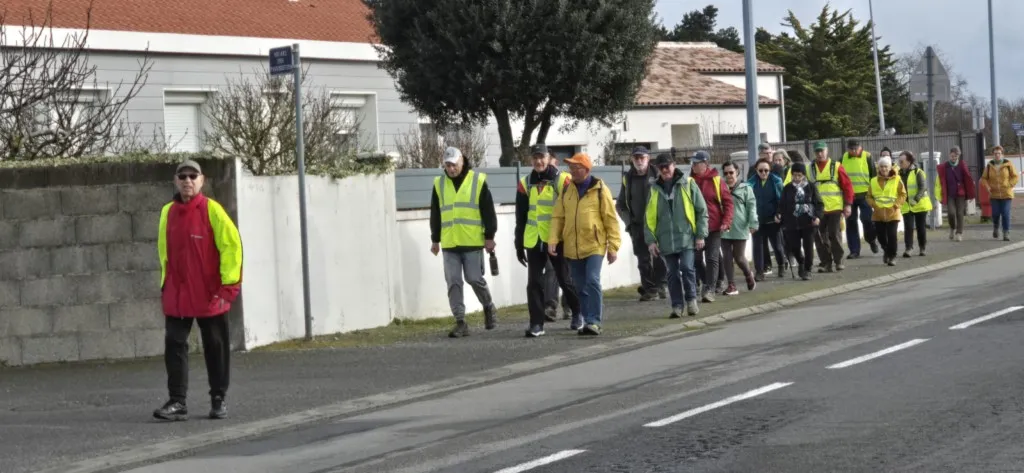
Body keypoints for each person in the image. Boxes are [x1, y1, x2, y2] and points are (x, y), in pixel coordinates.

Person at [153, 159, 243, 422]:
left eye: (193, 176)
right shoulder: (167, 212)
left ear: (202, 180)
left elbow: (232, 247)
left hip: (210, 293)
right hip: (178, 293)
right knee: (174, 345)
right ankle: (177, 401)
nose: (187, 181)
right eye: (182, 176)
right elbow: (164, 252)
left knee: (215, 346)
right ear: (175, 180)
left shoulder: (213, 210)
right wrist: (166, 285)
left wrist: (228, 287)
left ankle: (218, 399)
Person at [549, 152, 621, 336]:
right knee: (580, 286)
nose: (572, 171)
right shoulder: (566, 190)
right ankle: (588, 320)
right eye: (571, 167)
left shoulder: (600, 189)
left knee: (592, 280)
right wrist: (553, 239)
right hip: (573, 247)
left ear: (586, 169)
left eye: (576, 167)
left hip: (595, 245)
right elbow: (558, 217)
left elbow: (610, 219)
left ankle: (595, 321)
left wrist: (613, 247)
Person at [430, 146, 499, 338]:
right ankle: (460, 322)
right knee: (453, 282)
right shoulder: (439, 184)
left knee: (474, 279)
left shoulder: (477, 180)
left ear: (462, 161)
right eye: (448, 165)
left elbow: (488, 211)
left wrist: (490, 237)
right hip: (450, 243)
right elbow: (435, 213)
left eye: (454, 164)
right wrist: (435, 239)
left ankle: (488, 306)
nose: (451, 169)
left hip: (472, 241)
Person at [515, 144, 582, 336]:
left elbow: (572, 210)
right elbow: (521, 216)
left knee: (564, 279)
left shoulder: (562, 180)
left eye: (542, 157)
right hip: (534, 239)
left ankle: (578, 312)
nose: (538, 161)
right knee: (534, 283)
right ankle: (536, 324)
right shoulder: (525, 183)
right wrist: (518, 243)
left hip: (556, 239)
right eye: (535, 158)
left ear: (549, 158)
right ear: (531, 160)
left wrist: (570, 237)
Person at [645, 154, 708, 317]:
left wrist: (700, 235)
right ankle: (677, 306)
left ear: (674, 165)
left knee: (687, 268)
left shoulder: (688, 183)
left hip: (686, 237)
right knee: (672, 274)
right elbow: (649, 217)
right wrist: (651, 241)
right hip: (665, 240)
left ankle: (691, 300)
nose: (664, 170)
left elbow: (701, 211)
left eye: (667, 166)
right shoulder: (654, 189)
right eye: (661, 167)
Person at [616, 146, 667, 301]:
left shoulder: (657, 174)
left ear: (648, 158)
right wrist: (629, 223)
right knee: (642, 259)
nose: (639, 161)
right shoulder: (628, 178)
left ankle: (662, 285)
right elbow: (620, 204)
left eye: (642, 157)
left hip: (657, 224)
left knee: (660, 257)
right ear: (632, 160)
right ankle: (650, 289)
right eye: (636, 158)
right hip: (637, 225)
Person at [689, 150, 733, 303]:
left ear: (705, 164)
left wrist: (726, 221)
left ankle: (710, 289)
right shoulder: (689, 181)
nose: (693, 165)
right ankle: (706, 282)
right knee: (695, 259)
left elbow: (728, 202)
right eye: (693, 162)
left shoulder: (716, 180)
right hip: (694, 228)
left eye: (696, 162)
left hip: (714, 226)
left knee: (712, 258)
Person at [809, 141, 854, 273]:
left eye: (822, 151)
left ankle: (839, 261)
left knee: (834, 235)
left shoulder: (837, 166)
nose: (820, 154)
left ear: (827, 151)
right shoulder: (809, 168)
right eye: (817, 151)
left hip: (835, 207)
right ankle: (825, 263)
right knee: (819, 236)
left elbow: (847, 186)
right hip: (818, 210)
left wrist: (848, 205)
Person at [776, 163, 823, 280]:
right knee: (794, 246)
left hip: (808, 221)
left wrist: (817, 217)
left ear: (804, 175)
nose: (797, 178)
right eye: (794, 175)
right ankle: (801, 261)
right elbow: (782, 204)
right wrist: (779, 214)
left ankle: (807, 269)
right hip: (791, 222)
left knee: (808, 246)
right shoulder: (787, 188)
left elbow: (819, 203)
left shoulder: (811, 187)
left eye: (799, 175)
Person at [720, 161, 758, 295]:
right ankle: (731, 285)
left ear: (737, 172)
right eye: (726, 173)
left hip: (740, 226)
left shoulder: (746, 188)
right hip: (724, 226)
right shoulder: (720, 187)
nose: (728, 175)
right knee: (726, 256)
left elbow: (751, 207)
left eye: (731, 172)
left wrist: (753, 223)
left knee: (739, 257)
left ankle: (748, 274)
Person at [841, 139, 880, 258]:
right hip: (849, 196)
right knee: (851, 223)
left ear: (860, 147)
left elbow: (873, 177)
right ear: (848, 149)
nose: (854, 151)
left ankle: (871, 240)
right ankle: (854, 251)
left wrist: (874, 194)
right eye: (851, 149)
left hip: (865, 195)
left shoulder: (867, 157)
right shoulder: (843, 158)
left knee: (867, 219)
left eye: (856, 149)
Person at [867, 156, 908, 266]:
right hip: (878, 214)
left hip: (893, 213)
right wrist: (874, 205)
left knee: (892, 236)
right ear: (878, 168)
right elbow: (868, 196)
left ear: (890, 167)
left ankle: (892, 257)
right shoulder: (873, 181)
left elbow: (903, 194)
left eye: (886, 166)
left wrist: (896, 205)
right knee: (881, 237)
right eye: (881, 167)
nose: (883, 169)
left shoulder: (897, 179)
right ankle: (886, 251)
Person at [749, 158, 785, 281]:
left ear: (770, 170)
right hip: (757, 220)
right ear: (756, 170)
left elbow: (782, 200)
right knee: (757, 247)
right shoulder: (750, 183)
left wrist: (779, 213)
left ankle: (781, 264)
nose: (763, 173)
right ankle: (759, 271)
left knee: (777, 246)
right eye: (761, 170)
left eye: (766, 170)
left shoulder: (776, 181)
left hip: (773, 220)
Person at [936, 146, 976, 241]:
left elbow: (968, 179)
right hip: (950, 194)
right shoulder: (945, 166)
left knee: (960, 213)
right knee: (951, 213)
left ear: (958, 156)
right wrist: (940, 193)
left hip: (960, 193)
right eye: (952, 156)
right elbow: (940, 180)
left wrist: (971, 194)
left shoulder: (962, 165)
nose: (954, 158)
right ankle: (952, 227)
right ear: (949, 155)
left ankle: (959, 233)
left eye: (956, 156)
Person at [981, 145, 1019, 241]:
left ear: (1002, 154)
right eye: (995, 154)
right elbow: (983, 178)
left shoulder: (1008, 164)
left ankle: (1006, 232)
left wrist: (1010, 184)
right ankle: (996, 227)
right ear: (993, 155)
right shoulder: (989, 165)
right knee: (995, 214)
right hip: (994, 195)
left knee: (1005, 213)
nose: (997, 155)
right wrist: (987, 187)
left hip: (1006, 194)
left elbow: (1015, 176)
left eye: (999, 153)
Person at [898, 151, 932, 257]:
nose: (899, 163)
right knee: (908, 227)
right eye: (899, 161)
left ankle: (922, 247)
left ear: (909, 162)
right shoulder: (898, 174)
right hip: (906, 205)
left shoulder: (918, 172)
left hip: (920, 205)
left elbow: (923, 187)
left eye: (902, 161)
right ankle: (908, 248)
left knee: (920, 227)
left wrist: (916, 199)